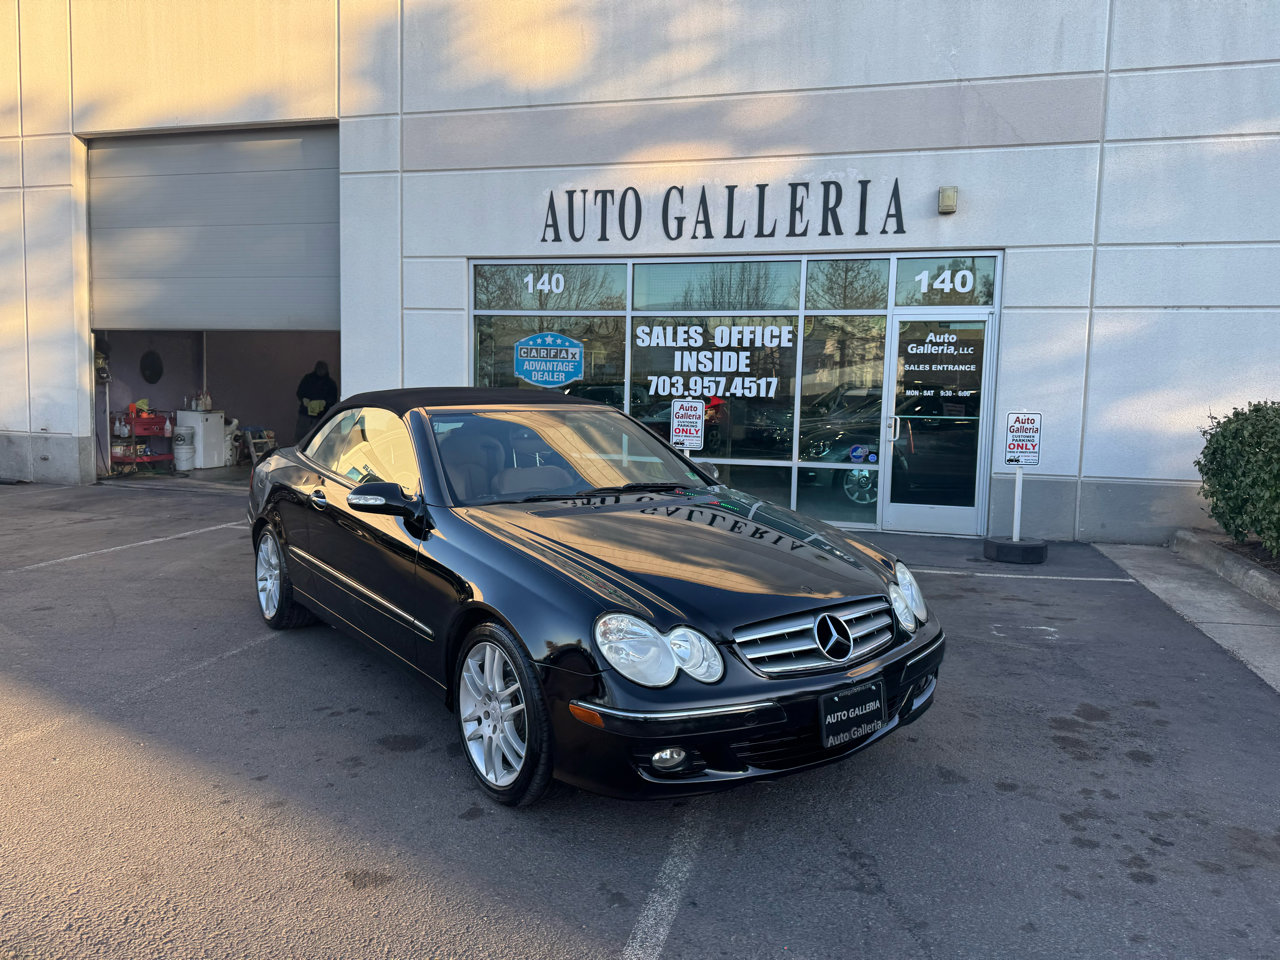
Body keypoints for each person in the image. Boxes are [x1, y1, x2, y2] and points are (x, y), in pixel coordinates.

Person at [294, 361, 338, 442]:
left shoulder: (330, 384)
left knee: (318, 439)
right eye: (320, 369)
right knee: (301, 437)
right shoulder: (308, 379)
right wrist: (304, 399)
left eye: (323, 369)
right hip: (305, 414)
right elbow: (300, 392)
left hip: (321, 416)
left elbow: (333, 399)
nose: (321, 371)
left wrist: (324, 403)